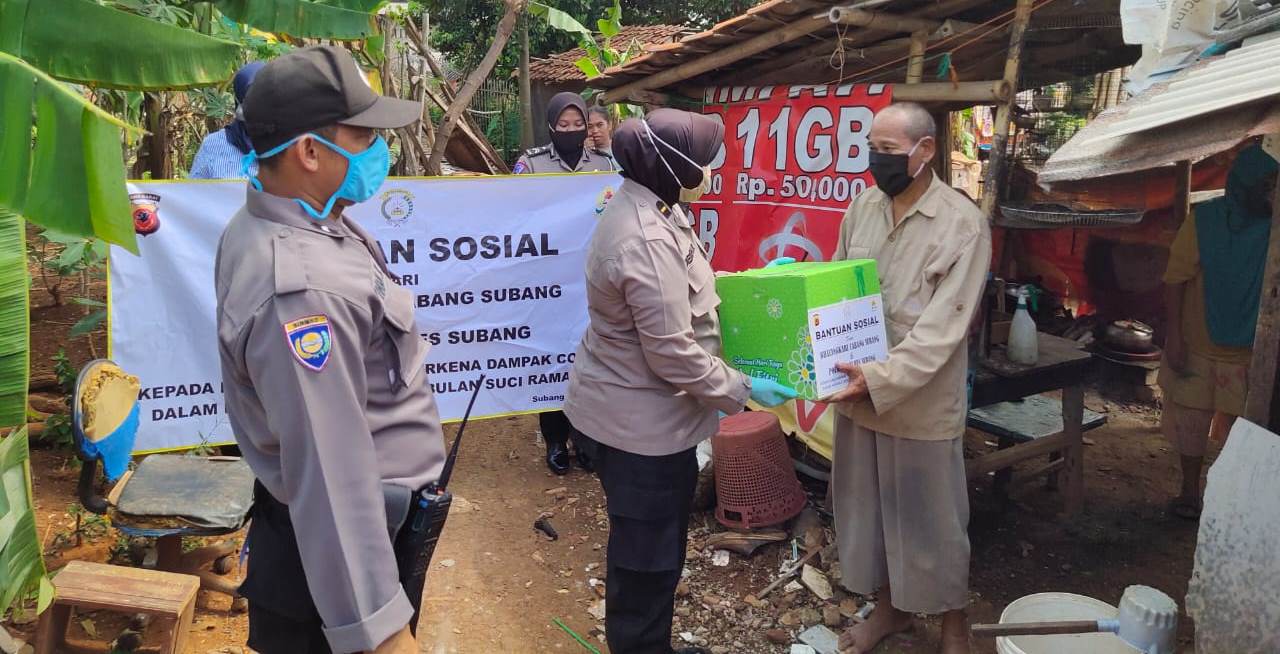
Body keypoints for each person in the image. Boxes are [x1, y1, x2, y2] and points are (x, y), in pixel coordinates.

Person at [215, 45, 446, 654]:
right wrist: (383, 631)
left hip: (346, 545)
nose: (379, 151)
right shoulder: (301, 288)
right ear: (309, 152)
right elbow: (329, 471)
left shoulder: (307, 220)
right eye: (364, 136)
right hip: (328, 574)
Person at [563, 108, 798, 654]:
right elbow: (670, 351)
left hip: (642, 417)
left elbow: (686, 307)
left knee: (656, 550)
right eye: (704, 159)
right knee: (646, 560)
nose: (711, 169)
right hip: (637, 431)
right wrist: (744, 391)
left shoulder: (657, 209)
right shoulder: (643, 237)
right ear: (672, 165)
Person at [819, 102, 991, 654]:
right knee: (869, 514)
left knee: (934, 520)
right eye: (872, 148)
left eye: (888, 151)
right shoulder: (862, 208)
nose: (876, 160)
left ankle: (954, 626)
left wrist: (881, 377)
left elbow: (945, 329)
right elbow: (836, 290)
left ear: (926, 152)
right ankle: (890, 612)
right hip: (856, 393)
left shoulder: (962, 224)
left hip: (919, 401)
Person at [1160, 142, 1277, 519]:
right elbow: (1175, 280)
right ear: (1243, 186)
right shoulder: (1204, 221)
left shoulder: (1274, 229)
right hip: (1197, 342)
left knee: (1240, 430)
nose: (1272, 194)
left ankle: (1226, 498)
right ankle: (1189, 493)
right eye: (1266, 186)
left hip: (1248, 351)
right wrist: (1174, 337)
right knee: (1191, 422)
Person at [514, 91, 617, 475]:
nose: (572, 131)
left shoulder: (604, 163)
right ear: (552, 126)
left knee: (592, 359)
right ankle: (556, 439)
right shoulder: (531, 163)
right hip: (547, 281)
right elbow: (513, 212)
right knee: (553, 357)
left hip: (594, 282)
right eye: (564, 125)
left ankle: (587, 438)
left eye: (579, 125)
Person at [190, 61, 265, 179]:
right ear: (239, 101)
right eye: (253, 96)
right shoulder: (213, 146)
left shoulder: (291, 146)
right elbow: (194, 193)